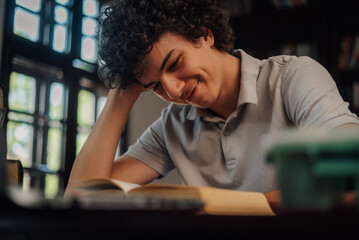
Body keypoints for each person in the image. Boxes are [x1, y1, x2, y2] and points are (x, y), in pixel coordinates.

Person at [65, 0, 359, 211]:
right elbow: (82, 195)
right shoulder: (172, 125)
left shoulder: (293, 78)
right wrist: (122, 93)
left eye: (175, 63)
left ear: (204, 32)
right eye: (153, 86)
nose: (174, 90)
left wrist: (237, 206)